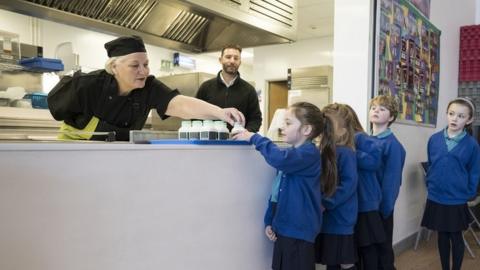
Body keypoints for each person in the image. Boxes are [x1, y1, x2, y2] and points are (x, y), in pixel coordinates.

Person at [47, 36, 244, 141]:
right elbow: (56, 105)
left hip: (119, 154)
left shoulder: (148, 87)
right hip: (77, 151)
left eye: (146, 64)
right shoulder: (88, 84)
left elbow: (181, 105)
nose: (143, 71)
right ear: (114, 67)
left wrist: (220, 112)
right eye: (135, 65)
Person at [233, 102, 337, 270]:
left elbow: (279, 159)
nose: (283, 127)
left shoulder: (308, 154)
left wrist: (254, 137)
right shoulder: (292, 155)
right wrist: (270, 221)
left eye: (288, 123)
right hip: (285, 230)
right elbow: (276, 192)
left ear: (306, 130)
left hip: (299, 231)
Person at [421, 97, 480, 270]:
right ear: (446, 114)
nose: (455, 119)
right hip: (436, 197)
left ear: (468, 120)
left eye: (461, 116)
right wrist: (431, 184)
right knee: (442, 236)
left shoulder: (471, 145)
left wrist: (468, 192)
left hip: (456, 198)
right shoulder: (434, 140)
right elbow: (432, 164)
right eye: (452, 114)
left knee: (455, 237)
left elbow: (474, 171)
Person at [315, 103, 359, 270]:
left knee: (344, 262)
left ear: (343, 131)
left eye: (328, 126)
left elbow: (349, 184)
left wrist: (327, 202)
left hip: (341, 218)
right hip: (327, 217)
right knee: (331, 260)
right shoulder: (323, 151)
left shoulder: (346, 153)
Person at [344, 104, 386, 270]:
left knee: (368, 249)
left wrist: (351, 152)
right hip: (354, 203)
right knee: (358, 248)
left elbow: (374, 161)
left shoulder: (360, 137)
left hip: (366, 203)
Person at [369, 95, 406, 270]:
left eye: (382, 109)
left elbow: (392, 183)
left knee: (383, 252)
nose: (376, 110)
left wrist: (384, 210)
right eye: (374, 107)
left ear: (391, 117)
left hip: (381, 209)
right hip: (366, 207)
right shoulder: (365, 140)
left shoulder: (393, 146)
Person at [196, 44, 262, 132]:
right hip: (209, 142)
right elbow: (196, 114)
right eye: (228, 57)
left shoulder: (249, 90)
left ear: (240, 62)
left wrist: (246, 133)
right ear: (220, 60)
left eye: (236, 58)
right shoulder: (206, 87)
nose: (232, 61)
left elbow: (256, 119)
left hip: (238, 142)